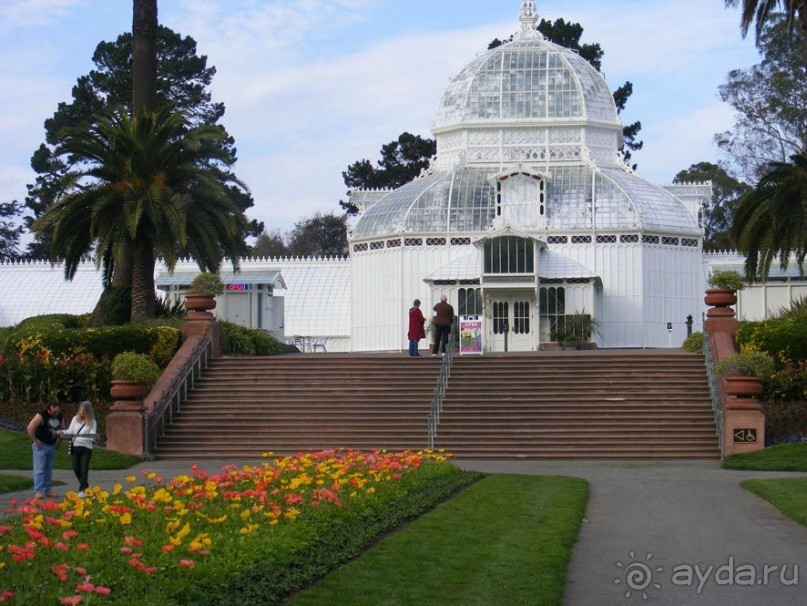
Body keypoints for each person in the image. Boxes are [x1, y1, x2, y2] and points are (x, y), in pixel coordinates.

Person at [60, 401, 97, 498]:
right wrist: (62, 432)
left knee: (84, 469)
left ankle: (82, 490)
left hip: (86, 448)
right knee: (76, 468)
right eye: (80, 409)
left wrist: (81, 436)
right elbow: (70, 431)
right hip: (75, 447)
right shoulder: (75, 420)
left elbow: (92, 436)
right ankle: (86, 486)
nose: (81, 411)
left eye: (84, 410)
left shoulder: (92, 422)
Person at [27, 400, 63, 499]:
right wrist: (35, 441)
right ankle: (38, 491)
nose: (56, 414)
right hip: (41, 444)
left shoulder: (60, 416)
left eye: (57, 411)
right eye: (54, 412)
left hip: (52, 445)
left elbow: (62, 429)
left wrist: (59, 441)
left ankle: (47, 490)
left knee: (48, 469)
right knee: (39, 469)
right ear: (48, 410)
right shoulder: (41, 416)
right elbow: (30, 428)